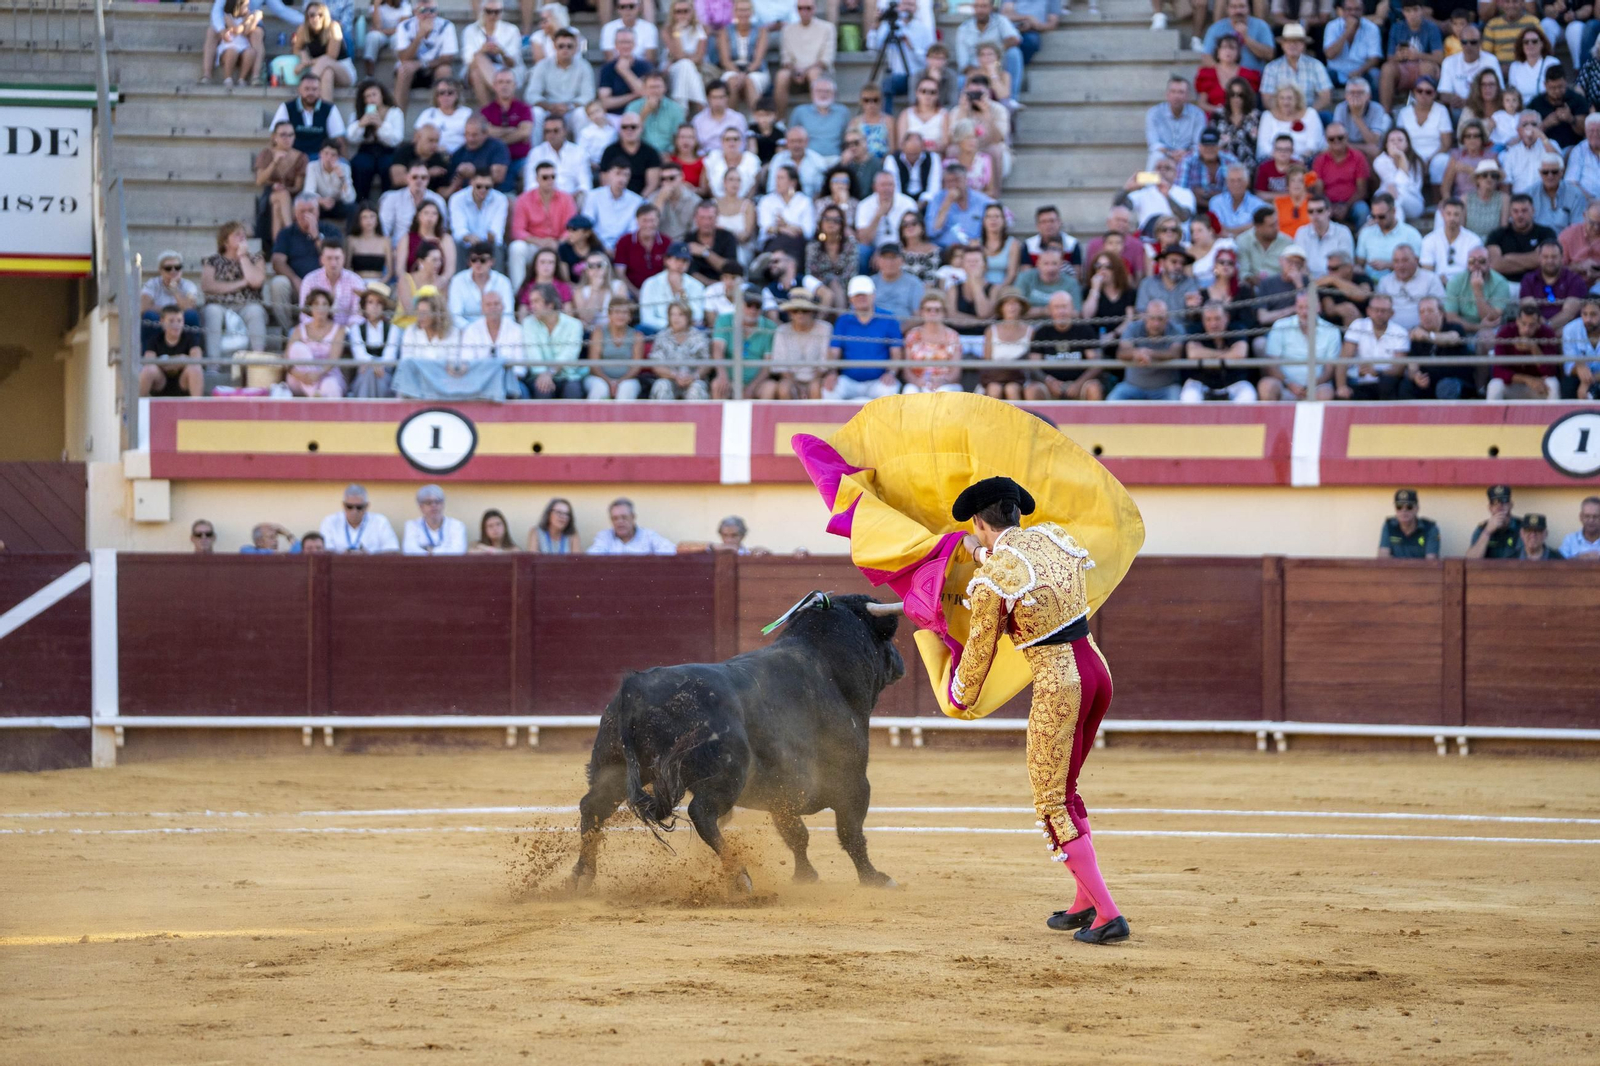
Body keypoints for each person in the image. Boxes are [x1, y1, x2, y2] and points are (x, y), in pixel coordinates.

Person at [945, 476, 1129, 943]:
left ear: (978, 523)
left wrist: (959, 695)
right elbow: (1022, 561)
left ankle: (1109, 915)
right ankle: (1084, 902)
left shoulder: (992, 580)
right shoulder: (1055, 538)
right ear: (1016, 514)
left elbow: (980, 651)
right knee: (1066, 791)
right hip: (1096, 670)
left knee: (1051, 804)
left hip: (1059, 683)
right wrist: (983, 554)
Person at [201, 222, 269, 361]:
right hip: (219, 305)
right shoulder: (213, 261)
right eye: (237, 234)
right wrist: (242, 283)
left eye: (243, 234)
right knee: (211, 311)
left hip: (247, 304)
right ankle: (213, 364)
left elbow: (256, 281)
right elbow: (208, 286)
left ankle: (258, 362)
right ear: (225, 241)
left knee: (255, 311)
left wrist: (243, 257)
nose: (242, 237)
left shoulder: (255, 258)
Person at [1261, 291, 1339, 399]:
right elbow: (1272, 364)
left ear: (1318, 308)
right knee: (1266, 386)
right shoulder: (1280, 326)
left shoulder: (1332, 331)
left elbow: (1329, 369)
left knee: (1326, 392)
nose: (1304, 312)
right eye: (1300, 307)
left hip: (1317, 387)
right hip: (1286, 386)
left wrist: (1312, 385)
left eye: (1308, 308)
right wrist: (1289, 384)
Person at [1338, 291, 1410, 399]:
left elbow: (1399, 369)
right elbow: (1343, 359)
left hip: (1386, 384)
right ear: (1368, 311)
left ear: (1392, 313)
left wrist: (1377, 372)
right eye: (1376, 310)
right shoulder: (1358, 326)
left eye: (1383, 311)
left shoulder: (1400, 333)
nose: (1379, 314)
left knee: (1388, 383)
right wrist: (1341, 387)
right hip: (1358, 381)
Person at [1180, 300, 1256, 403]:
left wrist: (1206, 354)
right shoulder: (1195, 329)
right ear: (1202, 320)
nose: (1213, 324)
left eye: (1217, 318)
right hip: (1201, 382)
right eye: (1208, 319)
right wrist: (1226, 353)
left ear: (1227, 318)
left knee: (1248, 395)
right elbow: (1193, 354)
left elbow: (1239, 353)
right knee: (1189, 397)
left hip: (1233, 382)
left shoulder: (1237, 328)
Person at [1489, 297, 1562, 398]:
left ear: (1538, 324)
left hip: (1539, 384)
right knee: (1495, 386)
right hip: (1513, 383)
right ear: (1517, 321)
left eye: (1531, 325)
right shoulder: (1505, 333)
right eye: (1523, 324)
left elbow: (1550, 371)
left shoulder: (1547, 334)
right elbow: (1498, 370)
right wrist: (1527, 379)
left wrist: (1534, 348)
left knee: (1553, 384)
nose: (1526, 329)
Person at [1110, 299, 1182, 400]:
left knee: (1177, 402)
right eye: (1152, 318)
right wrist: (1137, 353)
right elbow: (1122, 352)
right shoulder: (1133, 328)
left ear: (1167, 319)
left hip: (1166, 388)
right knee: (1112, 400)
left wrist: (1150, 354)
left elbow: (1175, 353)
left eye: (1160, 319)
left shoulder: (1175, 329)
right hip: (1132, 386)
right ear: (1145, 317)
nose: (1156, 323)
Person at [392, 1, 460, 109]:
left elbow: (448, 58)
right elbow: (404, 58)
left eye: (432, 10)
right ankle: (397, 118)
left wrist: (421, 64)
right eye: (423, 10)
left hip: (433, 70)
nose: (428, 14)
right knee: (403, 70)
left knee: (445, 70)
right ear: (415, 12)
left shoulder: (446, 26)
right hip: (412, 73)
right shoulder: (404, 26)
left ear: (437, 12)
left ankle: (443, 114)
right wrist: (419, 36)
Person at [774, 0, 836, 115]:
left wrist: (805, 71)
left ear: (815, 9)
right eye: (800, 8)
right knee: (781, 75)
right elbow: (785, 59)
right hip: (794, 73)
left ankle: (819, 115)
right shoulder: (787, 30)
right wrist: (796, 71)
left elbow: (826, 59)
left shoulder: (828, 28)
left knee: (814, 73)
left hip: (818, 73)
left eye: (808, 8)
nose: (804, 11)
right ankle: (780, 119)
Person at [347, 79, 405, 200]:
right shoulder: (358, 114)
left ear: (382, 95)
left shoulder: (394, 112)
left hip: (388, 150)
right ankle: (361, 203)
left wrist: (380, 125)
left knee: (388, 167)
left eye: (374, 94)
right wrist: (361, 124)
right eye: (367, 96)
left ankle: (388, 202)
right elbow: (351, 137)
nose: (371, 99)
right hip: (367, 150)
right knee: (360, 165)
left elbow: (396, 139)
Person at [290, 1, 355, 103]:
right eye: (312, 15)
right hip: (321, 71)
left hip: (342, 69)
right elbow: (297, 48)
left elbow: (331, 56)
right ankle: (325, 114)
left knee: (326, 61)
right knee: (327, 73)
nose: (316, 18)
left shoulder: (333, 27)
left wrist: (305, 64)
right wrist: (303, 55)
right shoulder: (303, 29)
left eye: (320, 15)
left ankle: (305, 88)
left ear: (326, 16)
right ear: (307, 17)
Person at [461, 0, 522, 106]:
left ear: (501, 12)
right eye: (489, 11)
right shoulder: (470, 30)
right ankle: (503, 93)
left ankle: (489, 114)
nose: (493, 15)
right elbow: (469, 63)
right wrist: (482, 50)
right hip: (477, 70)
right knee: (478, 62)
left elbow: (512, 63)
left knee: (477, 74)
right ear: (482, 11)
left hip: (506, 70)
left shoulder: (512, 30)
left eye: (497, 11)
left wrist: (501, 52)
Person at [1260, 23, 1332, 113]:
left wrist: (1307, 114)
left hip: (1310, 114)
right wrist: (1283, 115)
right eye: (1289, 41)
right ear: (1282, 45)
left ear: (1303, 45)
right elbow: (1267, 100)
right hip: (1281, 115)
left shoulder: (1316, 65)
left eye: (1297, 41)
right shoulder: (1271, 68)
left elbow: (1325, 97)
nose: (1293, 45)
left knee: (1327, 118)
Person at [1518, 240, 1585, 331]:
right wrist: (1544, 330)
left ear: (1562, 258)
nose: (1550, 261)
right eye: (1545, 257)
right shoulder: (1528, 279)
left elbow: (1569, 313)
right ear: (1539, 258)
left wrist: (1547, 327)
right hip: (1534, 328)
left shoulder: (1575, 280)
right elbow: (1530, 310)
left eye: (1554, 257)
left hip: (1564, 329)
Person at [141, 305, 205, 397]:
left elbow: (197, 360)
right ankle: (136, 407)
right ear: (162, 322)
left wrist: (164, 361)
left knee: (195, 369)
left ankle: (197, 407)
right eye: (171, 321)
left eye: (179, 320)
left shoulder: (191, 338)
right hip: (161, 383)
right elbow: (149, 362)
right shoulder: (154, 340)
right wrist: (180, 360)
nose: (176, 325)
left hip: (183, 382)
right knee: (149, 370)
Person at [319, 484, 400, 553]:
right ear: (343, 505)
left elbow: (392, 550)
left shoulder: (380, 522)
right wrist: (343, 556)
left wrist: (369, 557)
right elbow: (325, 552)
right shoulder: (330, 522)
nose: (354, 511)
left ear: (367, 506)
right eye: (349, 507)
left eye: (359, 507)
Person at [1322, 0, 1382, 89]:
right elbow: (1329, 55)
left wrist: (1360, 71)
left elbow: (1375, 58)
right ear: (1343, 11)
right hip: (1335, 71)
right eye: (1349, 9)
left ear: (1362, 11)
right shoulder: (1332, 26)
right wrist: (1347, 31)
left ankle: (1374, 103)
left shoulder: (1372, 28)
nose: (1353, 13)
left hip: (1361, 71)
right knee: (1324, 76)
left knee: (1375, 76)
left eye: (1357, 9)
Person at [588, 498, 676, 554]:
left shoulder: (649, 536)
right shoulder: (604, 537)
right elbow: (592, 557)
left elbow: (670, 551)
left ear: (633, 517)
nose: (620, 522)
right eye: (615, 518)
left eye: (624, 517)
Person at [401, 484, 469, 555]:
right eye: (428, 502)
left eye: (437, 502)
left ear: (443, 504)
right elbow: (409, 550)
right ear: (421, 507)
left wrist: (430, 552)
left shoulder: (456, 525)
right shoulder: (412, 525)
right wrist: (442, 550)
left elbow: (458, 551)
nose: (434, 506)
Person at [1467, 484, 1524, 559]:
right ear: (1490, 508)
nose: (1499, 506)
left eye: (1504, 501)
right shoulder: (1482, 529)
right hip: (1488, 570)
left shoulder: (1522, 527)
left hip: (1515, 570)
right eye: (1495, 503)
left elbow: (1532, 556)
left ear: (1511, 505)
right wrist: (1487, 532)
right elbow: (1471, 559)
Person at [1378, 488, 1440, 557]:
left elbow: (1431, 563)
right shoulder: (1389, 527)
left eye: (1409, 507)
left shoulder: (1429, 529)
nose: (1404, 511)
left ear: (1417, 508)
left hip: (1420, 568)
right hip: (1394, 568)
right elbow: (1383, 559)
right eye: (1399, 507)